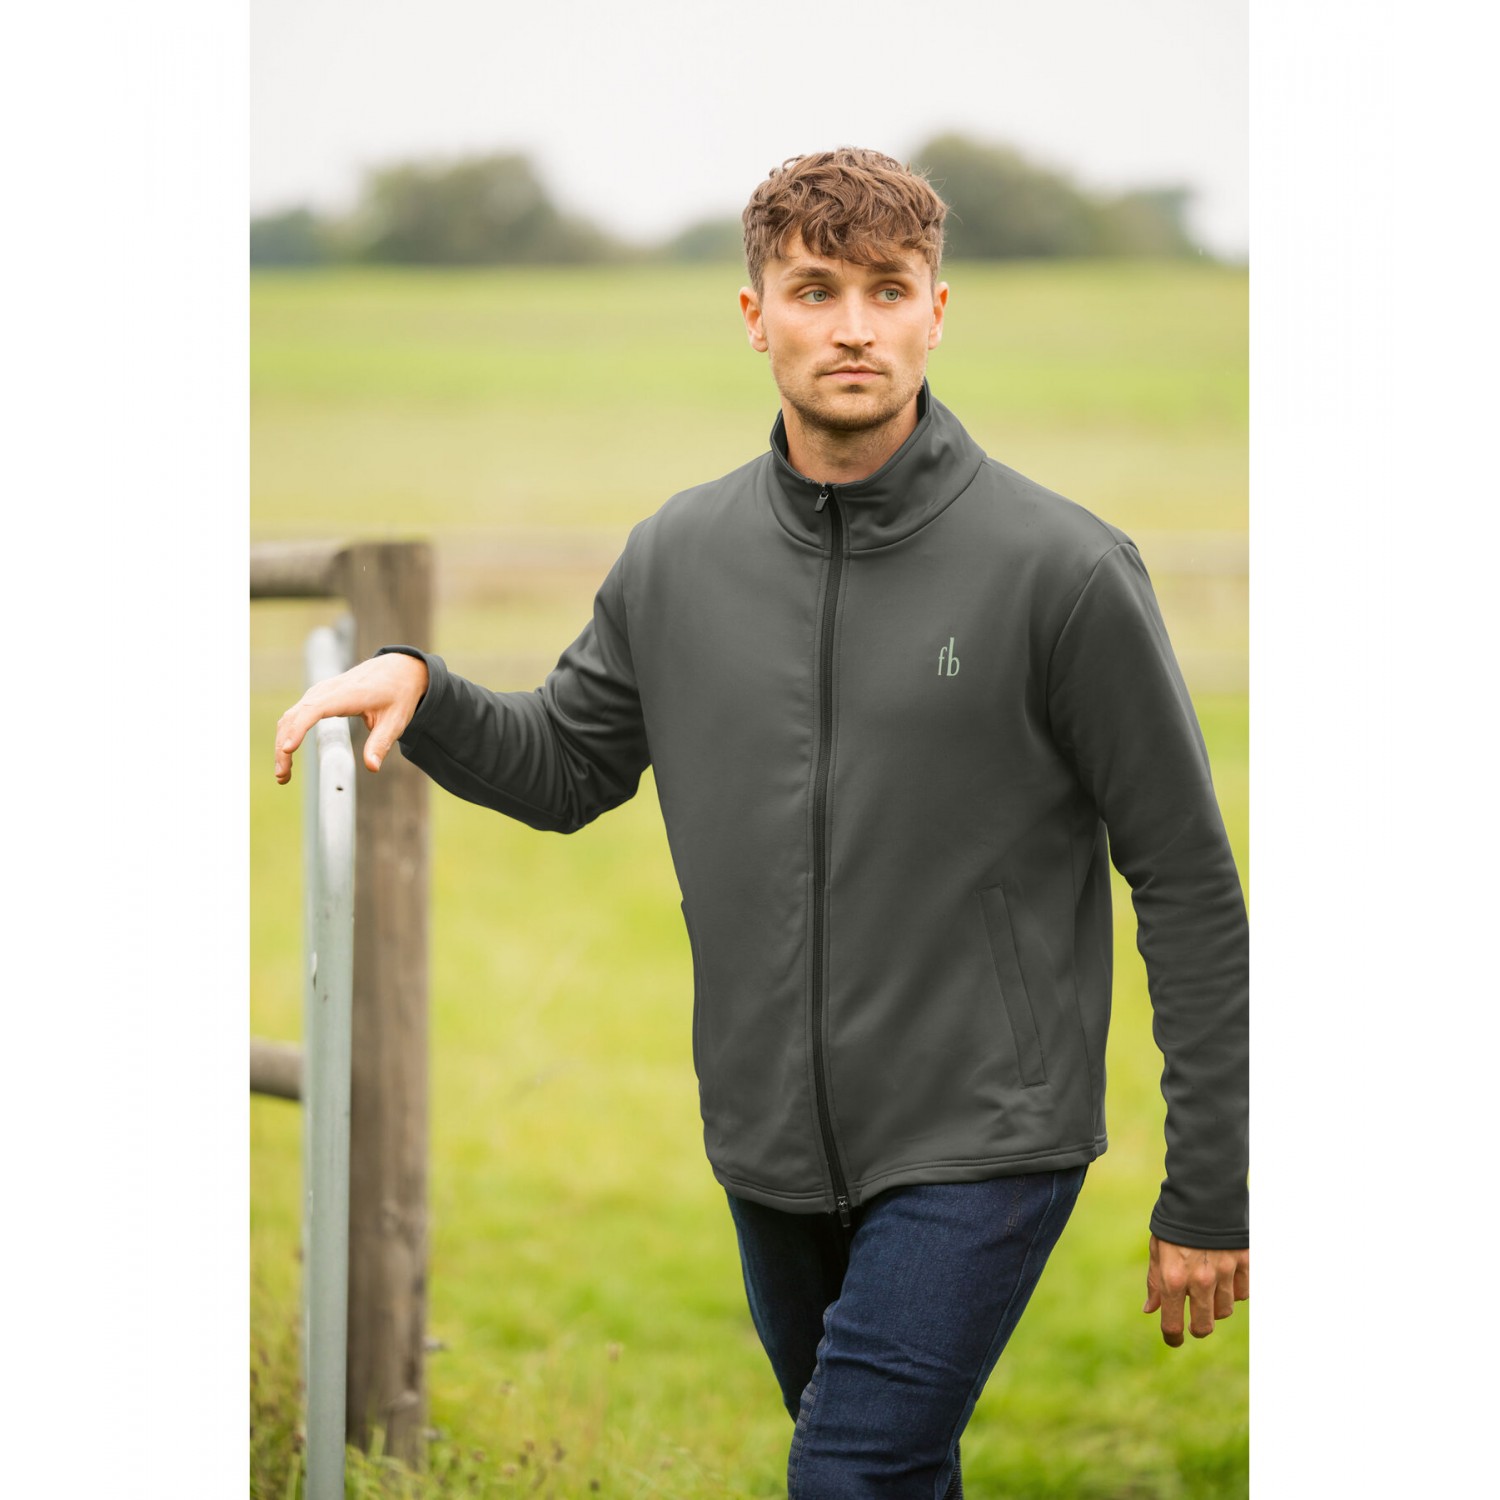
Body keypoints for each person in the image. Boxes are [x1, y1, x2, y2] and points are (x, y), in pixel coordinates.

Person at [274, 147, 1249, 1498]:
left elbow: (1188, 882)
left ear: (936, 312)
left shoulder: (1061, 570)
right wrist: (425, 691)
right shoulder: (679, 556)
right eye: (816, 289)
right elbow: (566, 765)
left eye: (887, 290)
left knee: (848, 1475)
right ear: (756, 315)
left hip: (985, 1134)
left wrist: (1214, 1185)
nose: (853, 327)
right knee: (887, 1473)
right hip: (767, 1143)